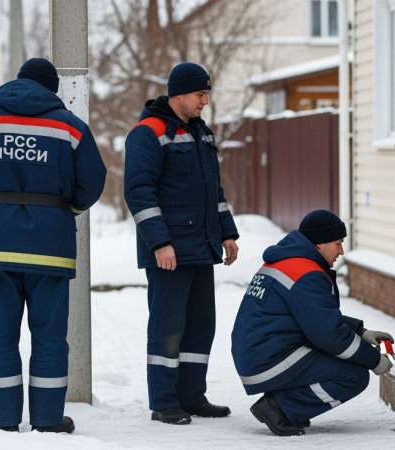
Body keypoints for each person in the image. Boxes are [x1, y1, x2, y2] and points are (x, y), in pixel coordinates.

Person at [0, 58, 107, 433]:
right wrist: (63, 211)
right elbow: (92, 183)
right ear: (53, 90)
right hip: (50, 248)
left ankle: (5, 421)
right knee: (49, 337)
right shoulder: (71, 128)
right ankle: (46, 420)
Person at [123, 62, 240, 425]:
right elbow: (138, 193)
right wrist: (160, 243)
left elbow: (214, 193)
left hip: (202, 248)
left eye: (207, 94)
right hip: (169, 253)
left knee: (201, 327)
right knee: (167, 329)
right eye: (199, 94)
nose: (206, 101)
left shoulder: (202, 134)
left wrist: (227, 232)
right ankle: (164, 402)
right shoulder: (148, 132)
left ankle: (192, 397)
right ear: (177, 95)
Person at [231, 210, 394, 436]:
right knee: (353, 375)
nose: (341, 251)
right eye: (337, 243)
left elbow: (310, 316)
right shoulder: (306, 273)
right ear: (319, 244)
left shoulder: (289, 261)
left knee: (337, 358)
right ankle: (279, 408)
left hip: (260, 351)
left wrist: (361, 331)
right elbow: (328, 335)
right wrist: (374, 360)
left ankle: (289, 406)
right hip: (269, 359)